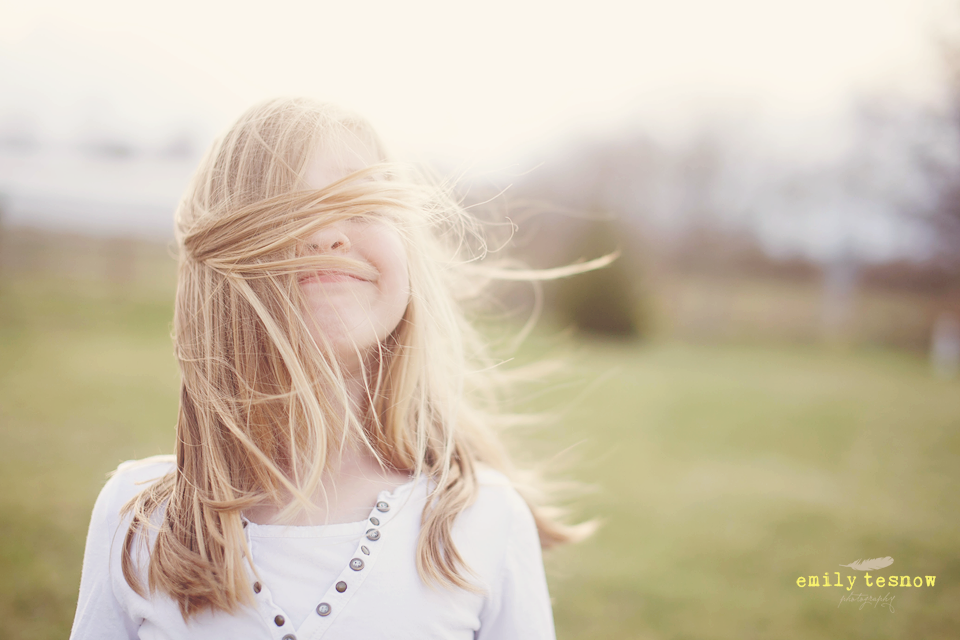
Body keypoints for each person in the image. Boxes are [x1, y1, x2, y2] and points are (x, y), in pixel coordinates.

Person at [70, 97, 594, 640]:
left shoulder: (485, 520)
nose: (327, 234)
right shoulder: (138, 522)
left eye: (361, 205)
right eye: (287, 210)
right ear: (219, 263)